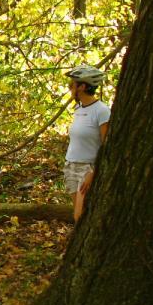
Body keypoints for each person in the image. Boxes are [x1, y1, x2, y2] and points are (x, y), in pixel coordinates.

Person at [64, 65, 110, 222]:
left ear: (82, 87)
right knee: (77, 215)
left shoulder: (102, 111)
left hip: (87, 168)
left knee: (80, 214)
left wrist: (94, 172)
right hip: (71, 165)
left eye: (72, 84)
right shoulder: (78, 108)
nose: (70, 87)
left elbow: (107, 145)